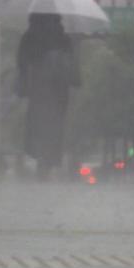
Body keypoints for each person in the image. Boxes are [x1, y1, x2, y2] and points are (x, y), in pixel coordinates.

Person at [17, 13, 80, 180]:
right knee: (56, 126)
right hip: (60, 91)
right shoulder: (63, 38)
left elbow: (22, 63)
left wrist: (22, 88)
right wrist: (76, 80)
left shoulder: (30, 36)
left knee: (36, 125)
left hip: (38, 89)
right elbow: (73, 64)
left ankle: (40, 159)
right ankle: (50, 161)